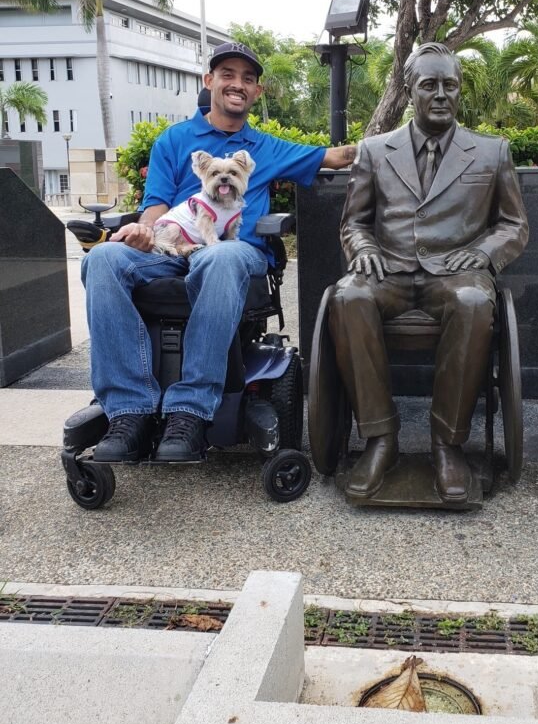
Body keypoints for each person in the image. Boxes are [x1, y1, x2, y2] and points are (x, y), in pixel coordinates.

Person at [82, 41, 355, 463]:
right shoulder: (174, 140)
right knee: (102, 259)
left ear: (257, 92)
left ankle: (190, 411)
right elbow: (156, 204)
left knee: (219, 255)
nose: (237, 84)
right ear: (209, 81)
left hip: (234, 252)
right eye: (227, 74)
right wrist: (143, 229)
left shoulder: (266, 147)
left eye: (248, 78)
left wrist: (403, 144)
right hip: (172, 245)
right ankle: (129, 411)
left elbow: (336, 157)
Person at [328, 42, 528, 504]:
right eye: (429, 85)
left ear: (459, 91)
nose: (441, 95)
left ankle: (447, 444)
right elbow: (354, 222)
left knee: (474, 301)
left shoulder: (492, 152)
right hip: (388, 270)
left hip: (456, 273)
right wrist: (363, 248)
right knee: (348, 296)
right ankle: (381, 439)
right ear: (409, 90)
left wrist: (482, 252)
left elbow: (514, 225)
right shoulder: (374, 151)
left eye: (450, 85)